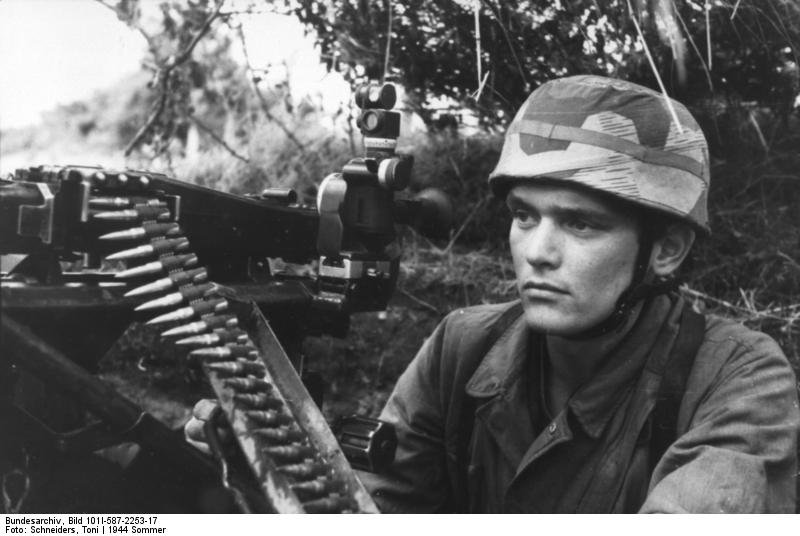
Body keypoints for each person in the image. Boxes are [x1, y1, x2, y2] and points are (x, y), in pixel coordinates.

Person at [187, 75, 800, 513]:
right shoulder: (464, 347)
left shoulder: (737, 378)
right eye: (524, 215)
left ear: (665, 250)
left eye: (581, 224)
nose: (538, 251)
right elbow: (376, 509)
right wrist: (270, 478)